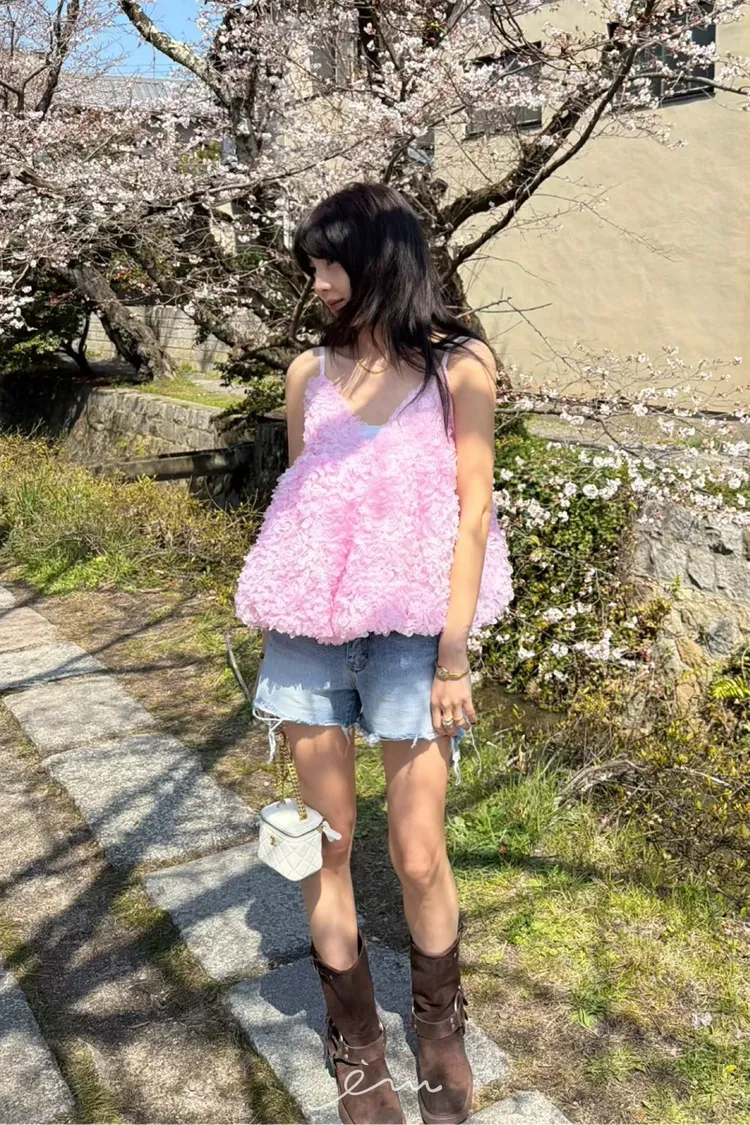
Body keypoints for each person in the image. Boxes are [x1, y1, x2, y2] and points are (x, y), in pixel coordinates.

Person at [234, 182, 513, 1125]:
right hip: (309, 638)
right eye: (311, 264)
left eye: (331, 263)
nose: (317, 281)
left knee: (419, 851)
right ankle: (355, 1044)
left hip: (414, 638)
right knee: (327, 844)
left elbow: (474, 507)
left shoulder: (460, 366)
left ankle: (439, 1027)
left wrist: (454, 653)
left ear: (381, 261)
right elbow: (304, 501)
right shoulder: (308, 372)